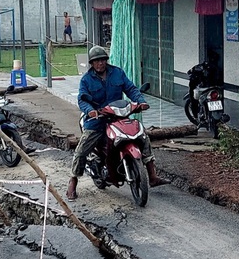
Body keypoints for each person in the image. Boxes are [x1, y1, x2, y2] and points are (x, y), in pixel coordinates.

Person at [66, 45, 170, 200]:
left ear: (106, 60)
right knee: (82, 150)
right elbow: (82, 99)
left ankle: (152, 176)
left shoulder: (117, 73)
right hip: (97, 121)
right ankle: (73, 181)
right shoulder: (86, 79)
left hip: (118, 117)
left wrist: (140, 102)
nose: (100, 63)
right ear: (92, 63)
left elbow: (131, 89)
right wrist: (91, 111)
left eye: (102, 60)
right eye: (96, 61)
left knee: (143, 137)